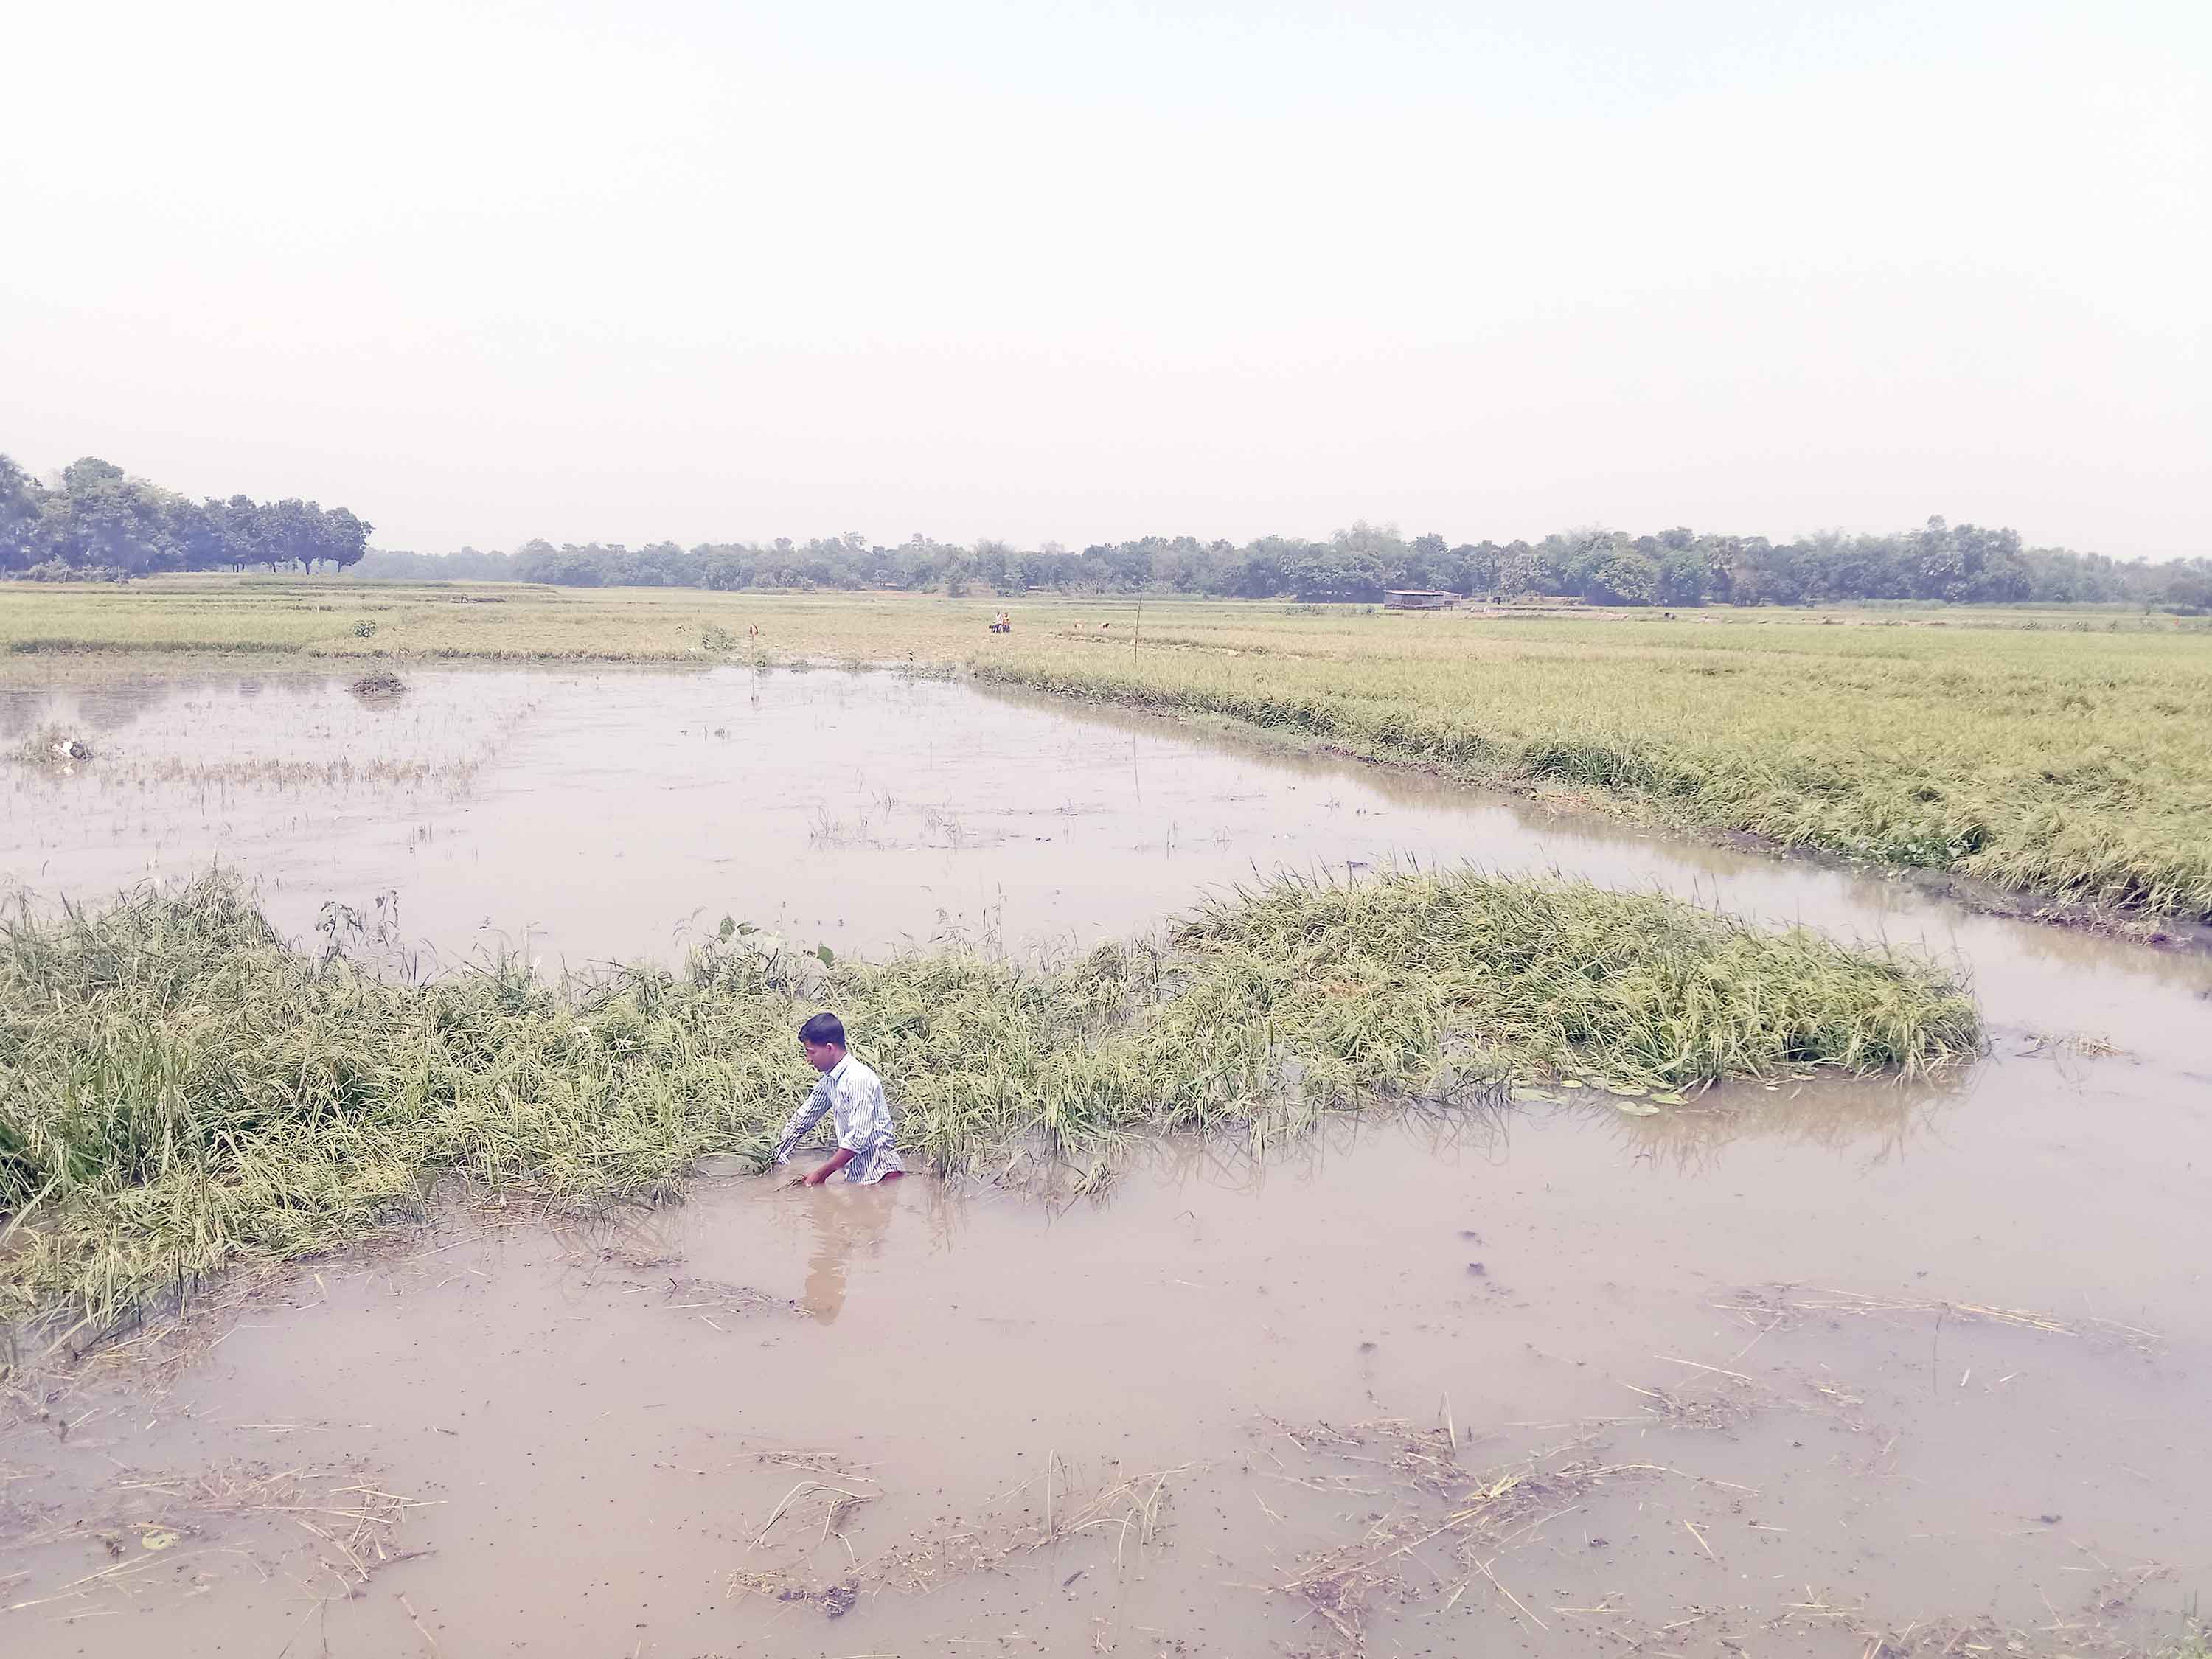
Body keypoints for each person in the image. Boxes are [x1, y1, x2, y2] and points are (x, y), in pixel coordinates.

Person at [772, 1012, 906, 1186]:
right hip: (859, 1177)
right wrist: (775, 1156)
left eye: (811, 1052)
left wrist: (822, 1173)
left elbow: (858, 1137)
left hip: (883, 1177)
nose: (808, 1060)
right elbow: (804, 1118)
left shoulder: (859, 1079)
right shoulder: (830, 1081)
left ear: (830, 1048)